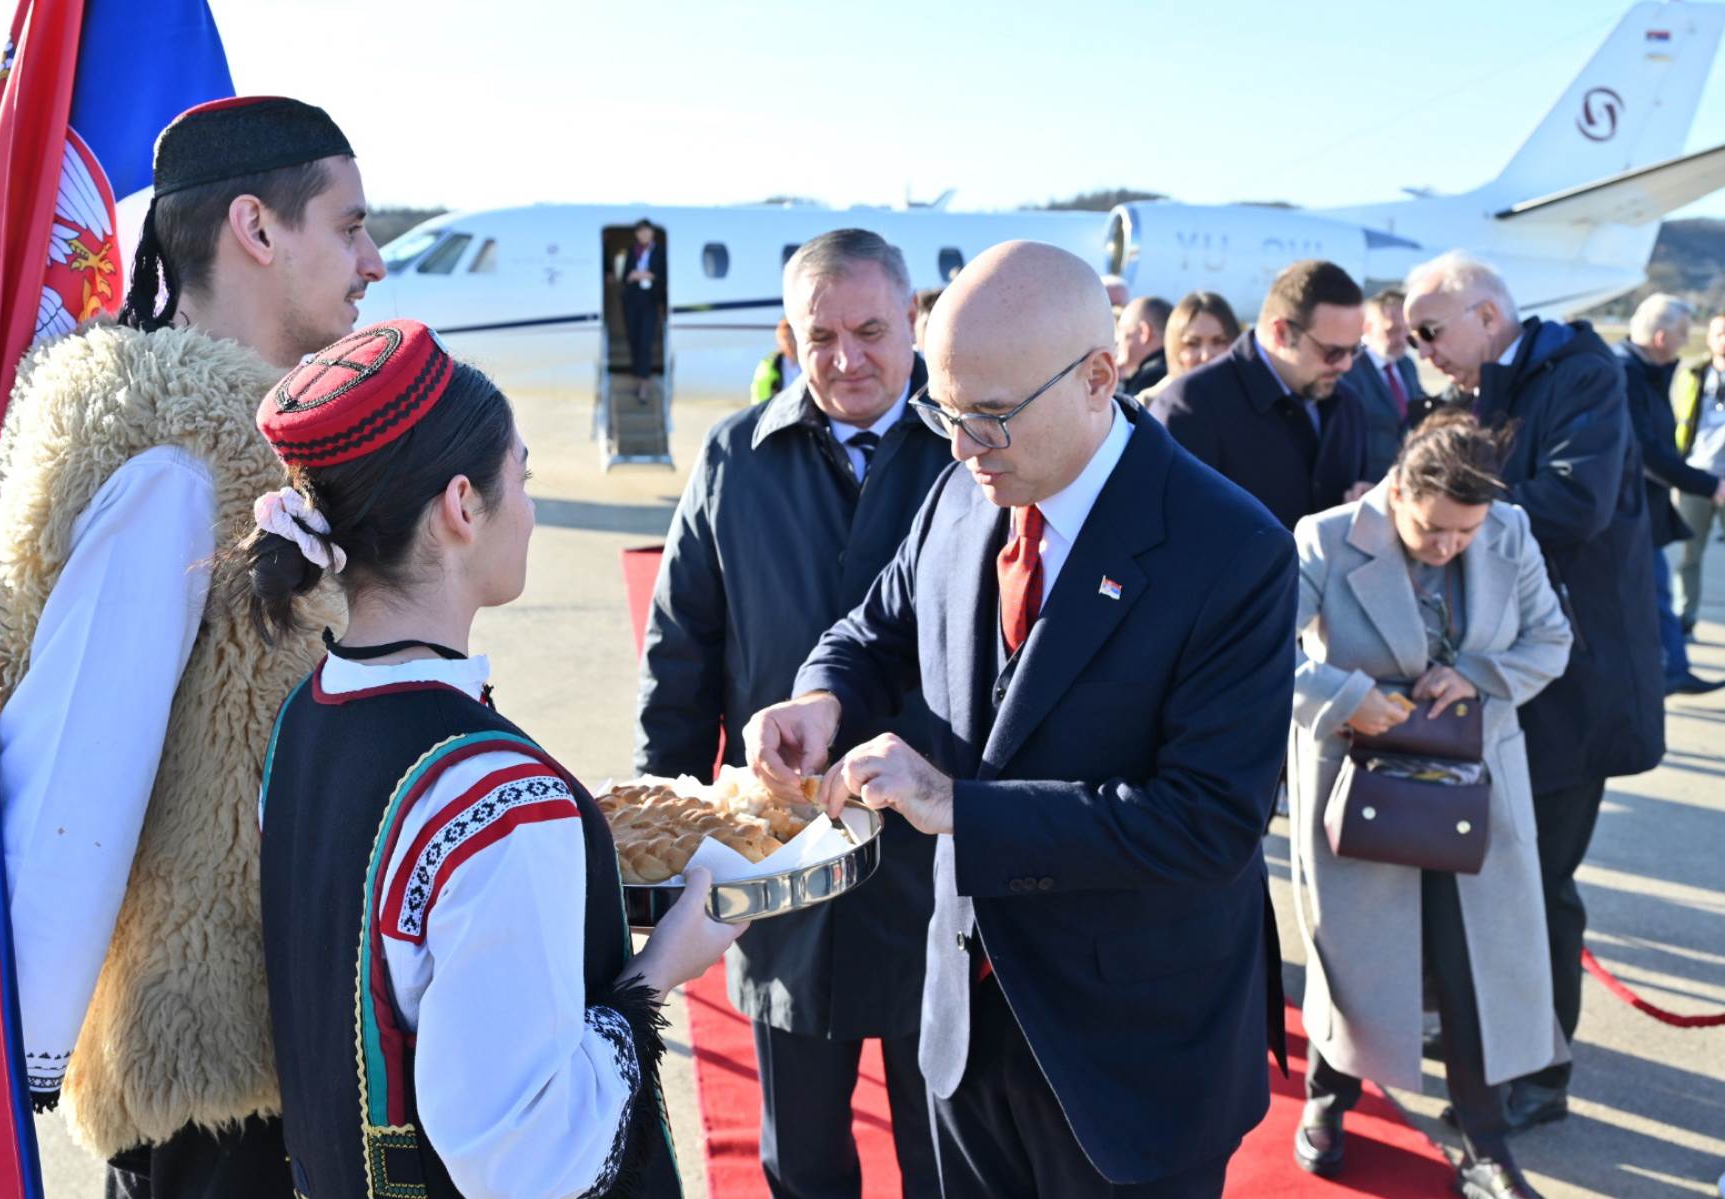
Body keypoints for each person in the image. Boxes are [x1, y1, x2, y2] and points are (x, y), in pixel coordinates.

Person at [746, 241, 1295, 1197]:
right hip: (965, 1021)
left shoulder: (1234, 549)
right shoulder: (965, 487)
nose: (962, 447)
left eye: (990, 417)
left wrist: (956, 804)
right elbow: (877, 627)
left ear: (1098, 378)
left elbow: (1207, 823)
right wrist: (820, 698)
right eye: (946, 413)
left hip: (1125, 1051)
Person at [0, 97, 385, 1195]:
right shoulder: (175, 476)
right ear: (256, 228)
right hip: (213, 1111)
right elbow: (76, 767)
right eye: (350, 226)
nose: (376, 260)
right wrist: (5, 1068)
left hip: (285, 1074)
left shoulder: (250, 458)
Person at [243, 319, 735, 1197]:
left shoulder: (302, 721)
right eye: (525, 476)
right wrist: (662, 967)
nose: (534, 506)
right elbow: (526, 1160)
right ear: (462, 506)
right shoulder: (504, 802)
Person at [636, 229, 945, 1199]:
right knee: (802, 1154)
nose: (847, 358)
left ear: (912, 323)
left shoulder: (970, 457)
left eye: (870, 330)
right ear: (787, 333)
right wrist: (666, 833)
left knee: (949, 1145)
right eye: (821, 336)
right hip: (782, 862)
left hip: (940, 865)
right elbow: (682, 653)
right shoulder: (737, 457)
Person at [1404, 251, 1663, 1130]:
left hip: (1570, 685)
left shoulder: (1579, 376)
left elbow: (1575, 503)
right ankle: (1491, 1033)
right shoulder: (1482, 390)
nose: (1422, 349)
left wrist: (1434, 505)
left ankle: (1541, 1070)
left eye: (1430, 330)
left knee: (1539, 882)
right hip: (1499, 683)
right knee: (1484, 873)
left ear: (1486, 314)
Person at [1289, 412, 1571, 1199]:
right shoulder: (1326, 535)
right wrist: (1348, 695)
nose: (1450, 546)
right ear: (1398, 490)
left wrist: (1477, 673)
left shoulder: (1507, 532)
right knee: (1353, 955)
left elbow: (1550, 640)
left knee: (1474, 961)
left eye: (1465, 532)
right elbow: (1255, 651)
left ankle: (1483, 1140)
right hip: (1360, 780)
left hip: (1473, 783)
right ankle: (1326, 1099)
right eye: (1435, 529)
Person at [1160, 260, 1372, 529]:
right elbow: (1167, 533)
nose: (1346, 365)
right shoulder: (1191, 405)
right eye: (1332, 352)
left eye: (1354, 350)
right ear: (1282, 333)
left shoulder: (1348, 405)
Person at [1616, 295, 1725, 694]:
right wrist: (1709, 485)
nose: (1686, 342)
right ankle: (1666, 670)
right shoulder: (1625, 374)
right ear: (1661, 336)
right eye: (1682, 334)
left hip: (1649, 505)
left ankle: (1672, 666)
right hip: (1630, 509)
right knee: (1656, 590)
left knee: (1657, 591)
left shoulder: (1649, 372)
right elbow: (1646, 450)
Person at [1671, 313, 1725, 635]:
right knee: (1689, 553)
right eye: (1719, 333)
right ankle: (1685, 616)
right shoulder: (1693, 374)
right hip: (1697, 477)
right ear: (1708, 338)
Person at [1342, 286, 1425, 478]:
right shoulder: (1349, 369)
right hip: (1363, 483)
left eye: (1406, 331)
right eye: (1393, 331)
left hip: (1401, 478)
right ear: (1367, 328)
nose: (1402, 340)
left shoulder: (1406, 366)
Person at [1138, 290, 1241, 417]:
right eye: (1193, 343)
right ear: (1175, 347)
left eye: (1218, 341)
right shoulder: (1148, 406)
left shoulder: (1251, 403)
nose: (1206, 355)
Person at [618, 218, 666, 399]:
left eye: (646, 231)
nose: (643, 235)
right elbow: (624, 276)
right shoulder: (632, 252)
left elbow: (662, 275)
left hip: (650, 302)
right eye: (640, 232)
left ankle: (643, 385)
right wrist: (633, 276)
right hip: (632, 301)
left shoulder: (659, 252)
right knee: (634, 340)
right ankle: (638, 377)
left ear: (652, 233)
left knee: (645, 341)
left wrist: (648, 275)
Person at [1114, 295, 1172, 395]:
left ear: (1144, 332)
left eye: (1121, 330)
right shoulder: (1177, 372)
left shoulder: (1149, 380)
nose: (1117, 341)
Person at [751, 318, 801, 404]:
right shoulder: (768, 366)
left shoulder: (810, 363)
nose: (790, 343)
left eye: (793, 338)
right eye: (785, 338)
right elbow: (760, 398)